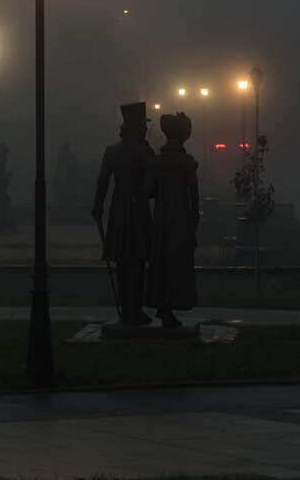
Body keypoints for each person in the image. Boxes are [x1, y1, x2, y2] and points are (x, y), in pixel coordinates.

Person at [91, 102, 155, 326]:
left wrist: (97, 208)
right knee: (136, 261)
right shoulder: (145, 152)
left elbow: (102, 184)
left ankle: (126, 311)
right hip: (137, 209)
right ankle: (134, 311)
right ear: (138, 127)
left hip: (118, 208)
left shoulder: (112, 151)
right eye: (144, 126)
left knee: (121, 261)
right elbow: (150, 188)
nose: (147, 130)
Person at [144, 111, 200, 327]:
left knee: (161, 261)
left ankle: (162, 305)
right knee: (177, 261)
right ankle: (171, 305)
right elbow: (193, 194)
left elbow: (147, 190)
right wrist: (194, 218)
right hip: (180, 219)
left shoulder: (157, 162)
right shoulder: (186, 162)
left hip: (161, 219)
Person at [53, 141, 82, 206]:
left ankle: (64, 196)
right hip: (68, 173)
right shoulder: (69, 154)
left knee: (66, 185)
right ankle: (68, 197)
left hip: (64, 173)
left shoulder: (63, 155)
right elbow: (77, 163)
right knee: (70, 185)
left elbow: (58, 165)